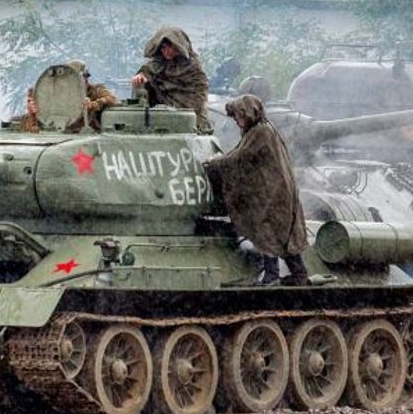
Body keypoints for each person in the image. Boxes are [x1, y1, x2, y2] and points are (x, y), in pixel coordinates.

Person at [202, 94, 310, 286]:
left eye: (239, 117)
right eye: (235, 117)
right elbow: (238, 154)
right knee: (282, 233)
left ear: (250, 113)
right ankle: (299, 274)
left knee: (267, 231)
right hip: (273, 190)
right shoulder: (260, 130)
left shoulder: (261, 132)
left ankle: (272, 275)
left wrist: (215, 162)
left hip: (272, 192)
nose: (237, 121)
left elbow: (241, 157)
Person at [131, 25, 212, 134]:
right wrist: (140, 78)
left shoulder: (192, 67)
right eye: (164, 47)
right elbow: (147, 72)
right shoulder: (158, 62)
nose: (167, 51)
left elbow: (198, 96)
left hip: (188, 118)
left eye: (172, 48)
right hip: (159, 117)